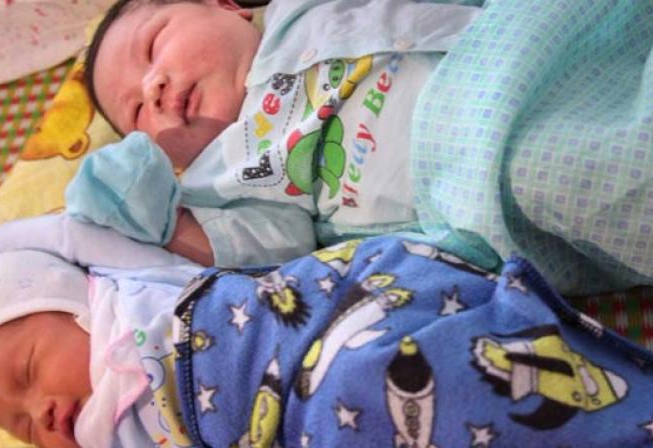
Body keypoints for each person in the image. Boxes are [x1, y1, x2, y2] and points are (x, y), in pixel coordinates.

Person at [0, 217, 653, 447]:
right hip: (301, 424)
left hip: (318, 322)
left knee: (414, 372)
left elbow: (73, 235)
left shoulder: (136, 296)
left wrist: (0, 252)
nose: (37, 411)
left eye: (26, 372)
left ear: (77, 304)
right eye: (14, 425)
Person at [66, 0, 491, 269]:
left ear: (227, 6)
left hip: (499, 56)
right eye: (137, 112)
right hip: (478, 205)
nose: (151, 89)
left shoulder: (299, 11)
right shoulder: (218, 182)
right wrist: (161, 219)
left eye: (153, 46)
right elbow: (274, 247)